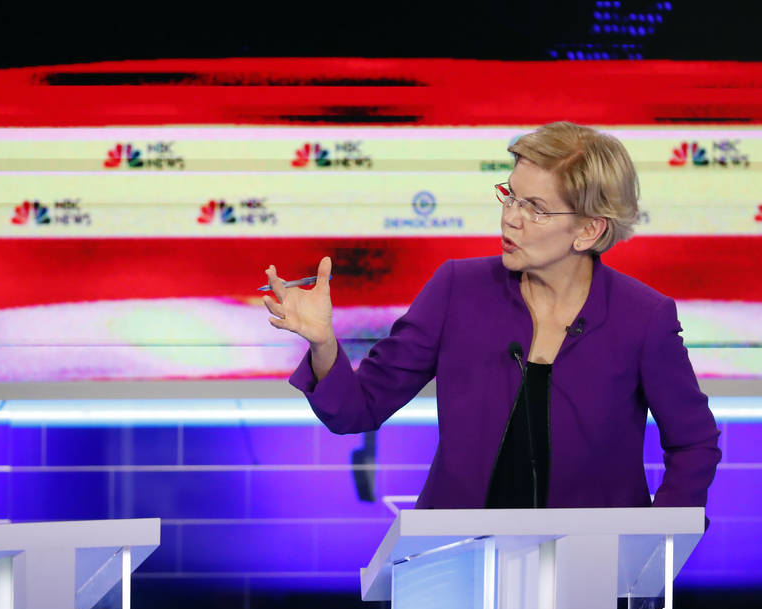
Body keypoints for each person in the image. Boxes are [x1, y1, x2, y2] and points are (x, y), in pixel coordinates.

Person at [263, 121, 721, 511]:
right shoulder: (457, 290)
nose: (510, 219)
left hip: (588, 572)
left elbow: (693, 443)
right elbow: (357, 410)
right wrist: (323, 344)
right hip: (456, 565)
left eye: (535, 208)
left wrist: (652, 542)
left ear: (588, 229)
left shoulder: (642, 318)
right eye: (510, 196)